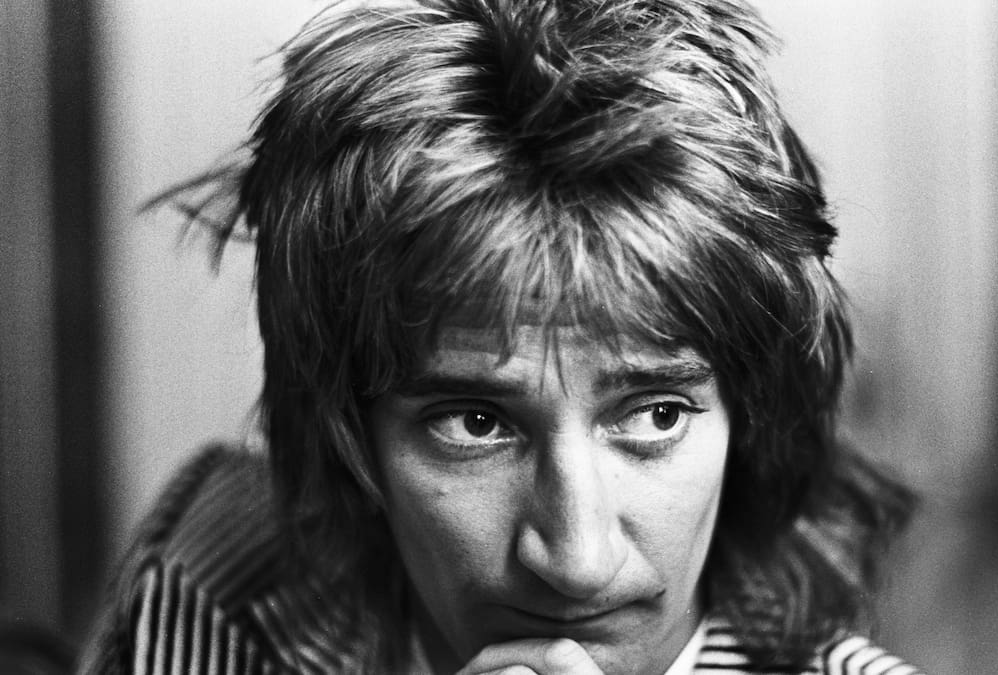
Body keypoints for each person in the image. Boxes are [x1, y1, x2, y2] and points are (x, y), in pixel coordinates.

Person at [80, 1, 917, 673]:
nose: (576, 559)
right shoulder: (208, 574)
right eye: (476, 423)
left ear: (751, 418)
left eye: (657, 413)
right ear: (349, 436)